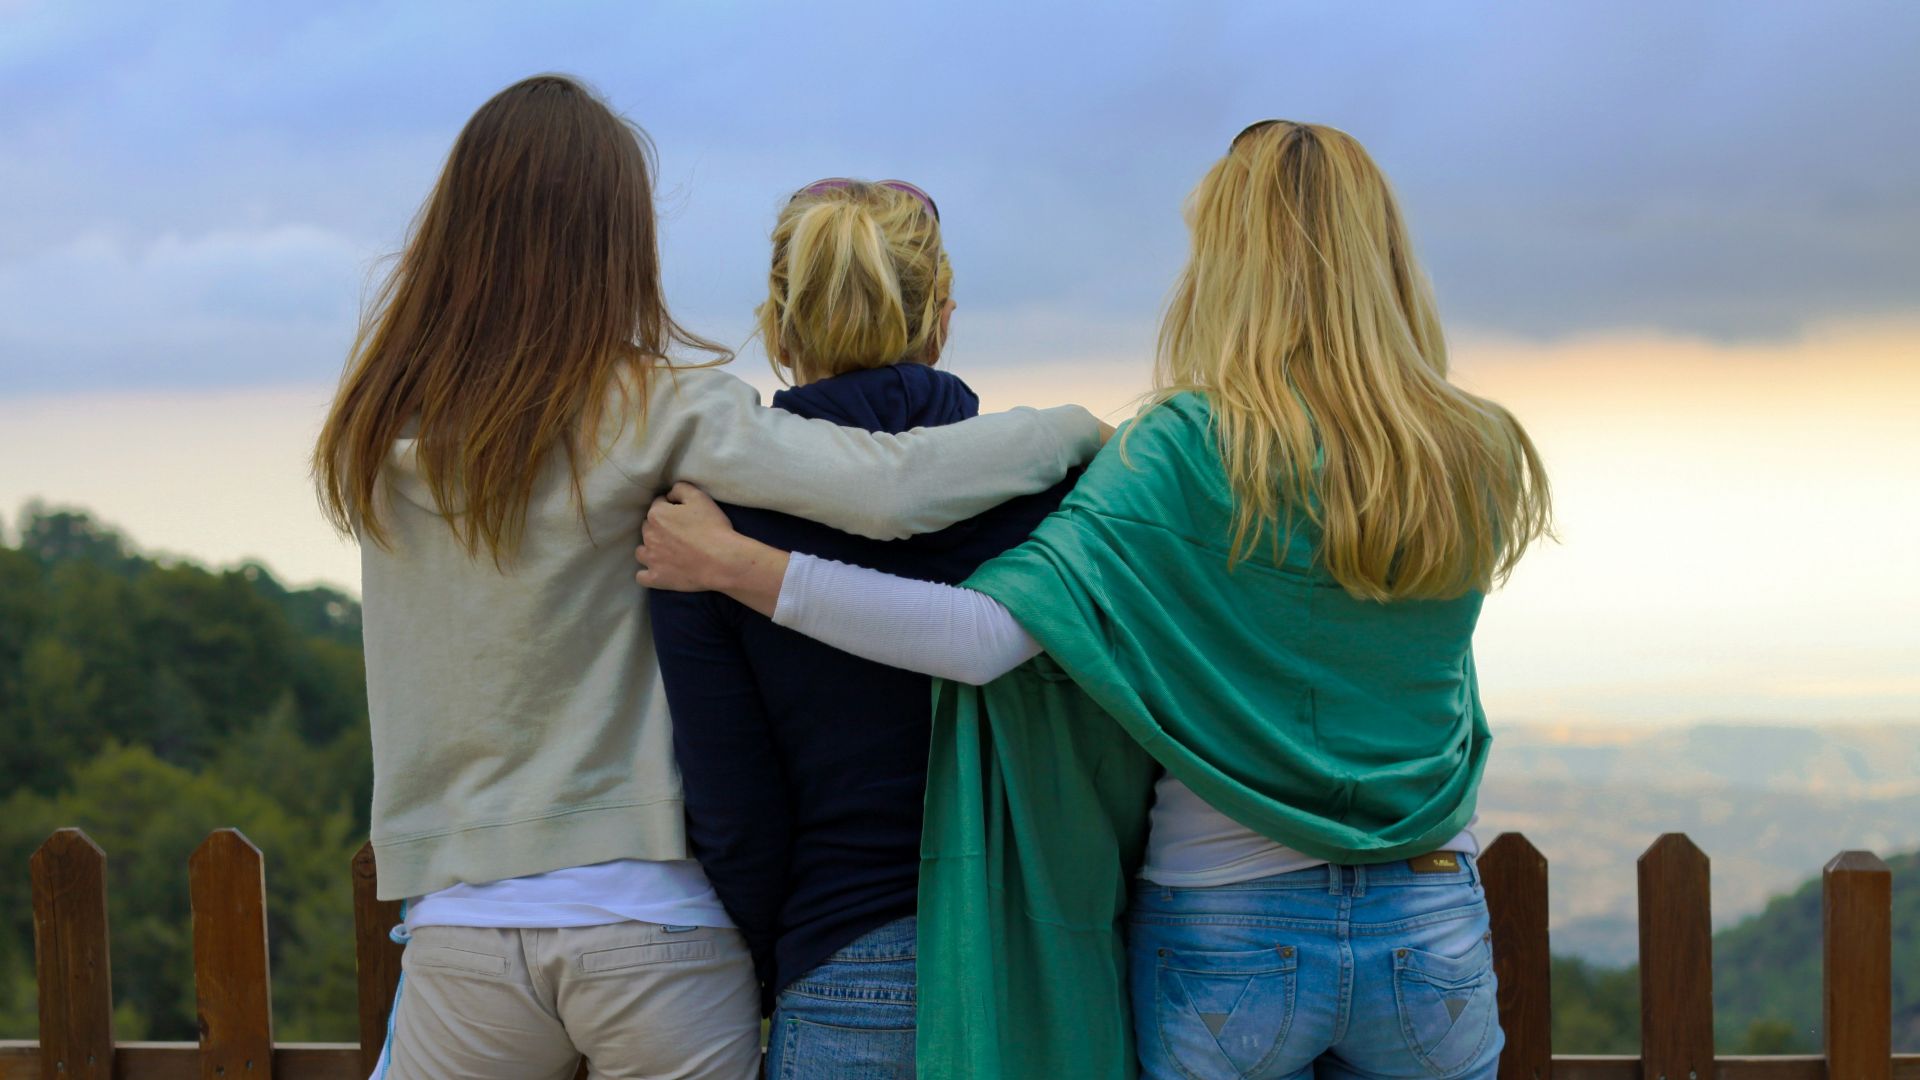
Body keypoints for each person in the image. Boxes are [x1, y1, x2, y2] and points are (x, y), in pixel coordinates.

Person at [635, 120, 1552, 1080]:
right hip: (1430, 902)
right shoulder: (1479, 449)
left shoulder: (1184, 449)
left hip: (1222, 911)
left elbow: (982, 637)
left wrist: (742, 567)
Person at [313, 76, 1106, 1080]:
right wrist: (1079, 430)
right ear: (618, 242)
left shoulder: (375, 436)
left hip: (463, 921)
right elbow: (893, 490)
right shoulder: (654, 410)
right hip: (652, 921)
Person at [650, 177, 1080, 1079]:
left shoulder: (709, 524)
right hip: (1043, 962)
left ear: (777, 327)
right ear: (943, 319)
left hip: (843, 955)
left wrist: (791, 950)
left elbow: (733, 806)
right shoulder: (1055, 493)